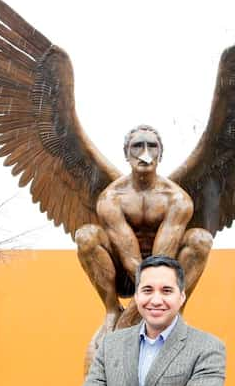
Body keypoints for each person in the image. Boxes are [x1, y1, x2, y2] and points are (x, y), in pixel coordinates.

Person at [75, 125, 213, 333]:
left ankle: (176, 312)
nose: (145, 153)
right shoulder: (111, 198)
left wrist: (128, 321)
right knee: (86, 236)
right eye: (137, 146)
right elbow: (128, 256)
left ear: (161, 154)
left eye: (152, 146)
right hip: (121, 270)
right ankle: (111, 310)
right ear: (126, 154)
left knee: (200, 239)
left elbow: (161, 262)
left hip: (167, 272)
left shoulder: (177, 199)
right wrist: (125, 320)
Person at [74, 255, 226, 386]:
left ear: (182, 296)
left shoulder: (208, 348)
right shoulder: (110, 344)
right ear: (137, 296)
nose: (156, 300)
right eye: (147, 290)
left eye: (166, 290)